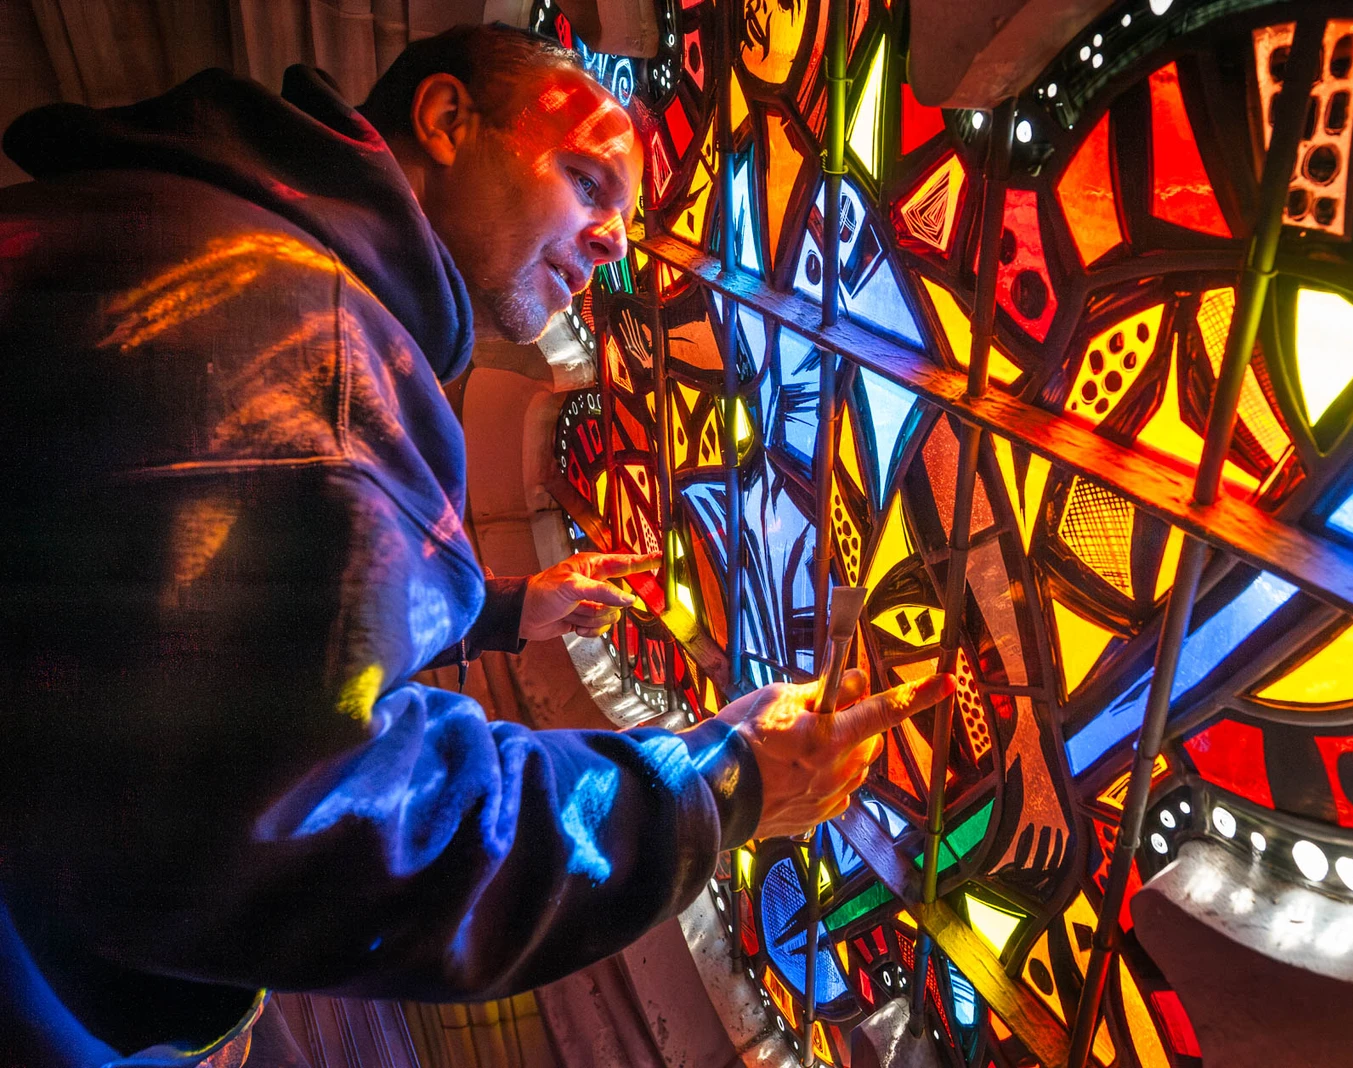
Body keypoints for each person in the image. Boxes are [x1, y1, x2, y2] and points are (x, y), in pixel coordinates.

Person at [0, 23, 951, 1067]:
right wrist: (725, 781)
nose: (618, 245)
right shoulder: (303, 345)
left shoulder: (179, 226)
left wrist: (501, 609)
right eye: (588, 181)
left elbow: (160, 618)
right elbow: (328, 832)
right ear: (448, 120)